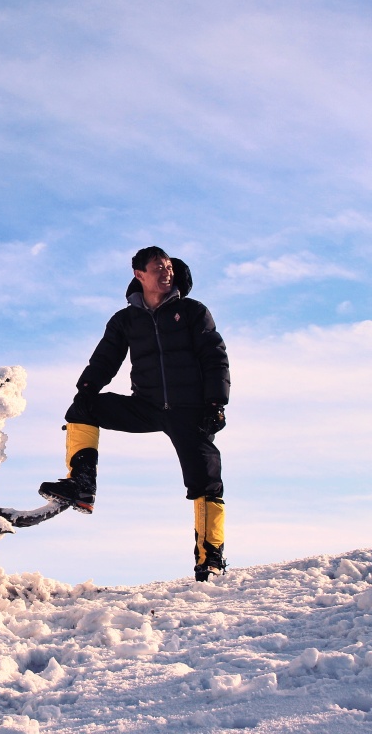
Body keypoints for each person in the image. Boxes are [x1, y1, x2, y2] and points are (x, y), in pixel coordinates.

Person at [39, 246, 231, 581]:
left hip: (189, 411)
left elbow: (214, 357)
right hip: (146, 406)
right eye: (158, 267)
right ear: (139, 274)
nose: (166, 271)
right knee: (83, 408)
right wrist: (86, 389)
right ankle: (82, 485)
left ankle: (210, 560)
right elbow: (105, 359)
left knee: (207, 480)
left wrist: (216, 403)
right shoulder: (125, 319)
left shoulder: (192, 311)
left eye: (169, 266)